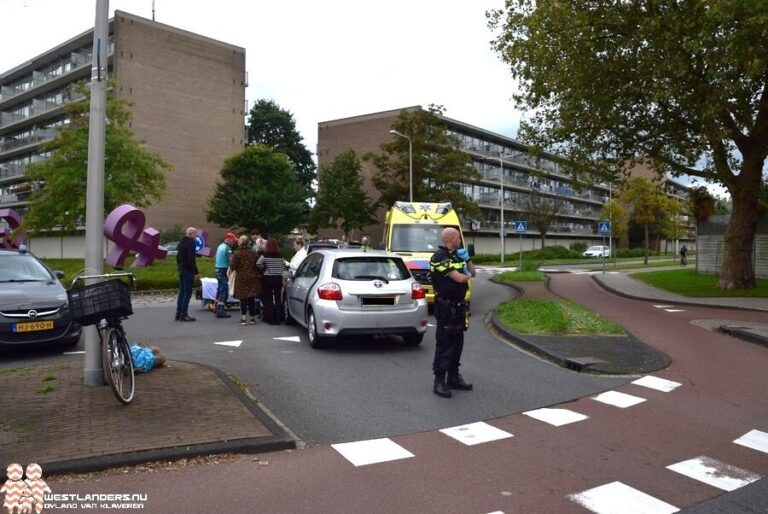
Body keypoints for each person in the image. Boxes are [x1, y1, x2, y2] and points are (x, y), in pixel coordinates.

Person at [429, 227, 476, 398]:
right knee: (444, 344)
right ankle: (439, 381)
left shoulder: (457, 256)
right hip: (445, 307)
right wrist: (465, 275)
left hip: (458, 307)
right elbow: (460, 278)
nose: (460, 241)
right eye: (457, 237)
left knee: (457, 343)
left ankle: (454, 377)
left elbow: (473, 272)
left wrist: (467, 260)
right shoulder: (438, 257)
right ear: (450, 239)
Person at [230, 235, 262, 325]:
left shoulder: (237, 253)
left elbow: (233, 266)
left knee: (243, 299)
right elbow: (258, 265)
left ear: (240, 242)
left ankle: (243, 318)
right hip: (252, 277)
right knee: (251, 298)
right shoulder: (253, 253)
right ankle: (252, 318)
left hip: (241, 278)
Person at [257, 238, 287, 324]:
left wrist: (264, 268)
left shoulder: (265, 255)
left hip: (268, 278)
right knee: (278, 298)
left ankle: (270, 318)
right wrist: (284, 278)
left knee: (268, 298)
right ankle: (278, 318)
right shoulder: (280, 256)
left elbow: (258, 264)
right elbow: (284, 268)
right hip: (278, 278)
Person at [175, 227, 199, 322]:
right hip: (188, 271)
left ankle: (178, 313)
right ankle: (184, 314)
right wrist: (196, 272)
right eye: (195, 234)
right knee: (187, 293)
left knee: (182, 292)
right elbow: (191, 260)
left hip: (181, 269)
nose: (196, 236)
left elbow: (177, 257)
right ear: (192, 234)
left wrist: (180, 266)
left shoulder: (181, 243)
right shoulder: (190, 244)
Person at [214, 232, 237, 318]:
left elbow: (215, 257)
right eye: (233, 241)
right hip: (223, 269)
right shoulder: (228, 248)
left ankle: (216, 308)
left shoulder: (220, 246)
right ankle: (220, 311)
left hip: (217, 269)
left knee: (219, 289)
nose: (234, 242)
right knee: (224, 290)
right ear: (229, 239)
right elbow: (231, 260)